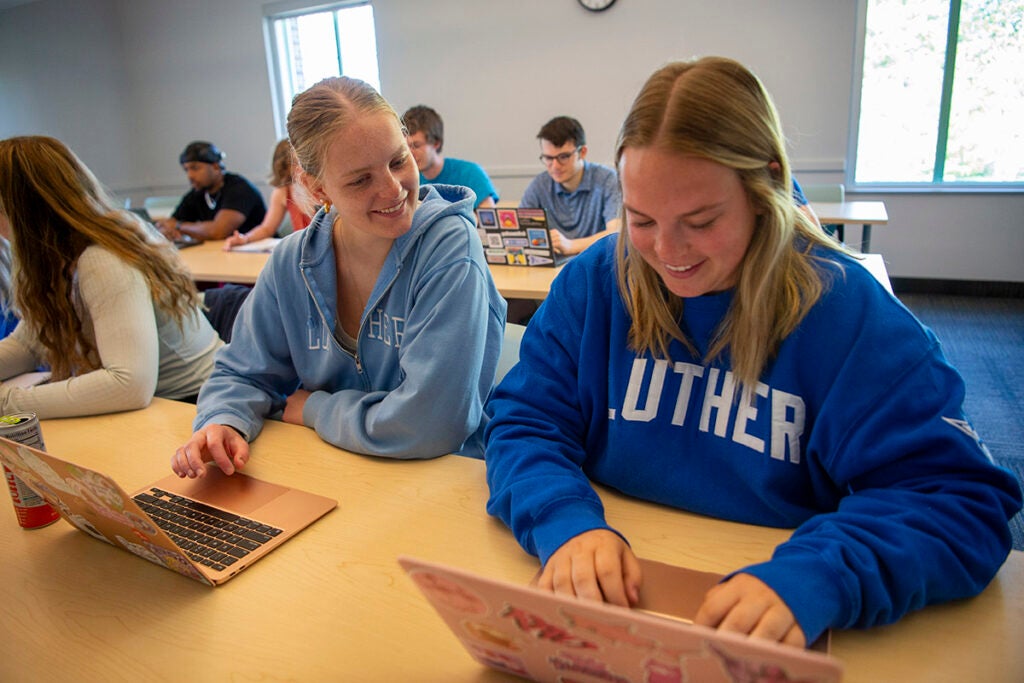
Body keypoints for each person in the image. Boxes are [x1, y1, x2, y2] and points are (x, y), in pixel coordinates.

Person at [484, 57, 1022, 649]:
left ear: (763, 188)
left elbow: (960, 501)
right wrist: (563, 522)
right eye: (640, 220)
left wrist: (820, 573)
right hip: (625, 598)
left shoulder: (850, 315)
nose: (667, 251)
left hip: (775, 605)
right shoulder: (595, 284)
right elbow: (526, 421)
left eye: (701, 220)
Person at [170, 76, 506, 479]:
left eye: (398, 160)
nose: (393, 189)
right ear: (317, 187)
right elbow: (242, 372)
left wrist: (315, 408)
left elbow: (431, 424)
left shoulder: (448, 246)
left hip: (437, 479)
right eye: (361, 179)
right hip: (334, 470)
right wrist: (223, 421)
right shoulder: (292, 261)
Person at [0, 136, 223, 418]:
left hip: (194, 406)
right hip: (159, 406)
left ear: (22, 212)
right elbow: (29, 343)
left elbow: (129, 385)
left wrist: (9, 402)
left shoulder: (102, 258)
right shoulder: (57, 256)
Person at [520, 115, 622, 257]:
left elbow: (616, 234)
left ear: (583, 152)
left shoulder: (607, 180)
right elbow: (520, 234)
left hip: (597, 263)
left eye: (563, 157)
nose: (555, 166)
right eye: (548, 158)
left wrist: (571, 245)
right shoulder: (539, 185)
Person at [154, 141, 267, 242]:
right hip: (220, 253)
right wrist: (167, 228)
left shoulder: (240, 188)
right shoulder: (197, 193)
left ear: (216, 166)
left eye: (195, 168)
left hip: (256, 255)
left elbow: (218, 231)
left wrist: (178, 226)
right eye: (186, 170)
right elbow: (170, 223)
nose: (190, 175)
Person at [402, 105, 499, 209]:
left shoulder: (471, 173)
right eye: (405, 146)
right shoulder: (408, 180)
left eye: (416, 146)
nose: (409, 153)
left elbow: (488, 219)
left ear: (436, 143)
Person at [223, 139, 313, 250]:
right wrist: (245, 238)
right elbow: (267, 228)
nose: (300, 168)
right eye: (294, 164)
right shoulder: (283, 191)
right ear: (284, 167)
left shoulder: (322, 188)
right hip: (304, 251)